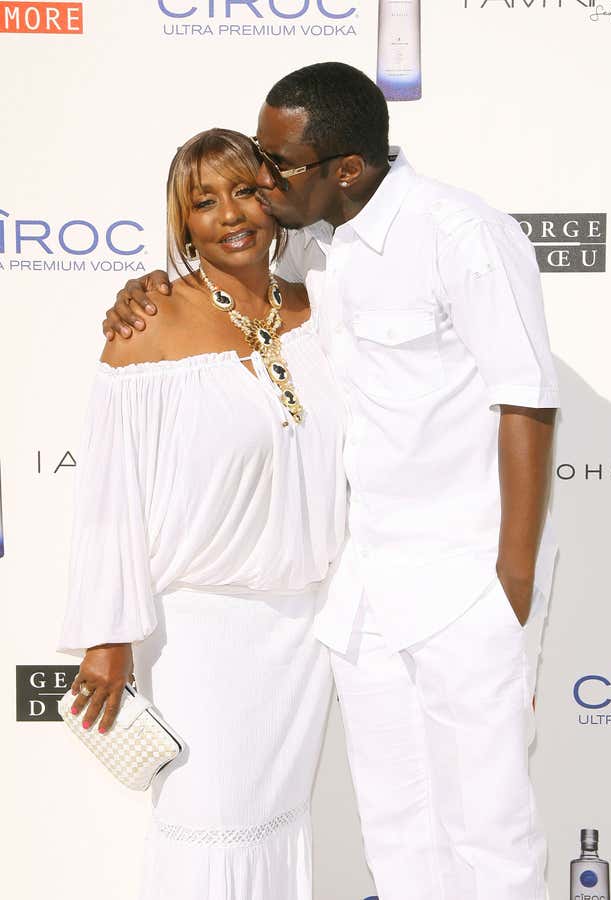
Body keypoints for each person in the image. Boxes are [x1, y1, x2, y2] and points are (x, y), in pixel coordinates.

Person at [103, 63, 560, 900]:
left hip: (462, 579)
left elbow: (525, 400)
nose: (262, 189)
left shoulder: (459, 234)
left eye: (277, 168)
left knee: (489, 833)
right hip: (362, 594)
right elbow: (227, 283)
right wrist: (148, 289)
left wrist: (512, 584)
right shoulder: (320, 245)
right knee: (396, 828)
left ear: (344, 167)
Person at [56, 127, 347, 900]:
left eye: (247, 189)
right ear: (181, 223)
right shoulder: (145, 329)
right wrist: (108, 637)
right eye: (204, 201)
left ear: (277, 194)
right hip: (205, 631)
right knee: (211, 825)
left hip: (310, 621)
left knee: (277, 821)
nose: (231, 214)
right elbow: (110, 497)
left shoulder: (323, 306)